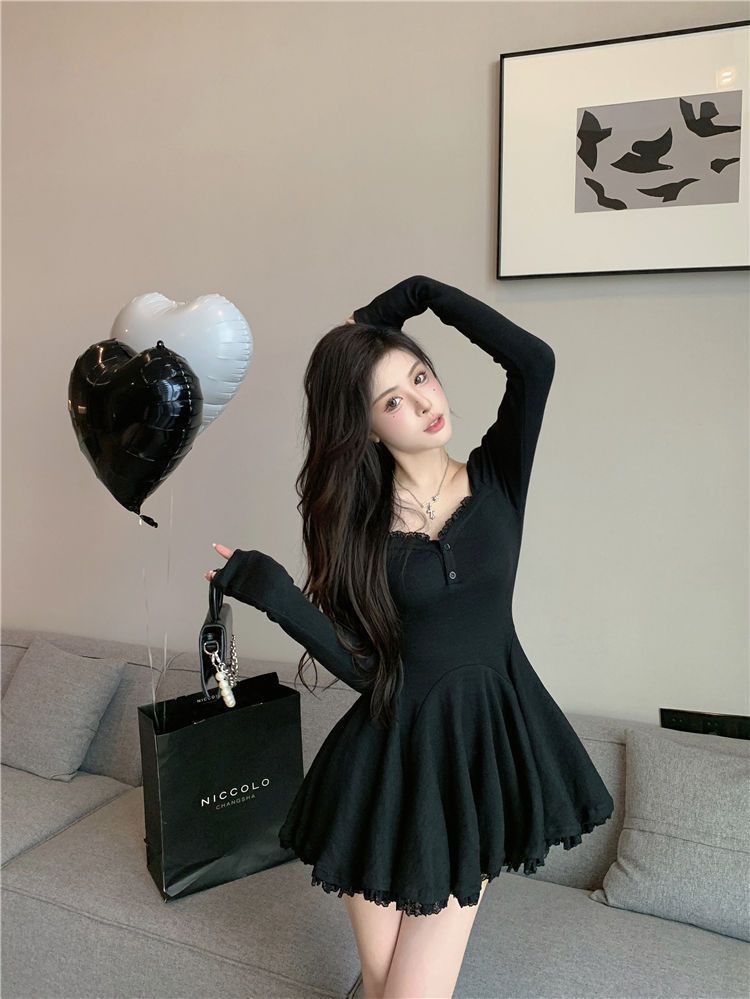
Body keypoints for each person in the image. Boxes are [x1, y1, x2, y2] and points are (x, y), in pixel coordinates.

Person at [206, 275, 615, 999]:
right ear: (366, 427)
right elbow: (366, 667)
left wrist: (417, 297)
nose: (424, 403)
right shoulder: (356, 528)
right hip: (383, 770)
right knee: (381, 985)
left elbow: (535, 362)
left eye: (420, 377)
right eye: (392, 400)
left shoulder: (497, 477)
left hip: (477, 758)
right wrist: (272, 592)